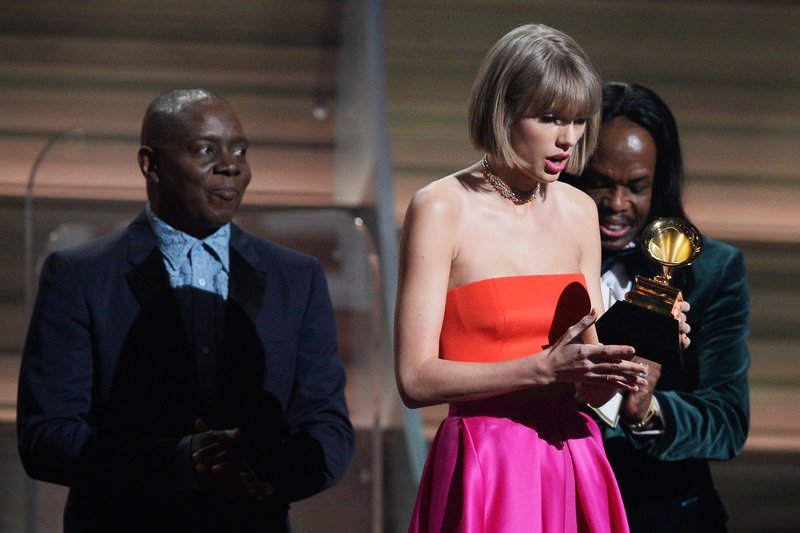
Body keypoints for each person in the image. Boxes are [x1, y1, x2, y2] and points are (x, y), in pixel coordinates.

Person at [17, 88, 355, 532]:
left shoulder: (297, 277)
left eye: (239, 150)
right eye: (205, 150)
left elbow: (327, 426)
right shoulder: (80, 276)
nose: (230, 164)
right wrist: (181, 461)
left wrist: (264, 477)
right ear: (149, 164)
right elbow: (47, 436)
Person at [393, 24, 680, 533]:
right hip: (488, 461)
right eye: (549, 118)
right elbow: (415, 379)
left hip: (574, 454)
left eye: (575, 121)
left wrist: (641, 341)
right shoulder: (441, 207)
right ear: (502, 110)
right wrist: (543, 369)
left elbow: (591, 387)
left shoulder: (578, 210)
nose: (568, 138)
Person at [563, 82, 750, 532]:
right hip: (556, 503)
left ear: (659, 184)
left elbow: (727, 420)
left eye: (637, 186)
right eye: (601, 183)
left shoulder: (713, 272)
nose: (617, 204)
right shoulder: (538, 262)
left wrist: (646, 411)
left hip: (662, 513)